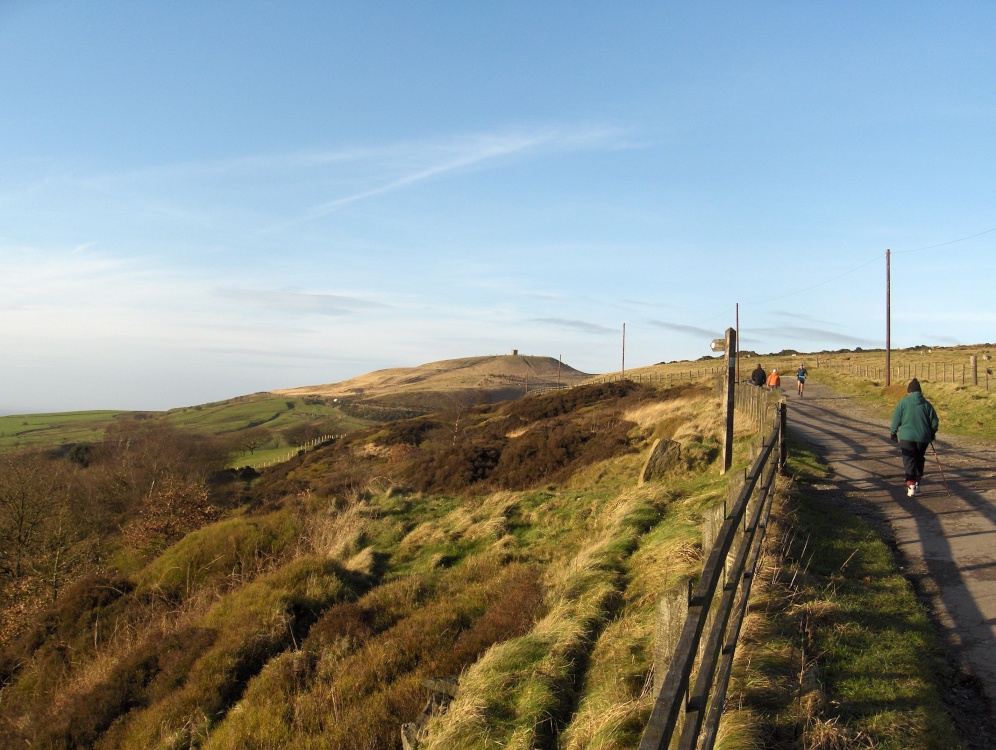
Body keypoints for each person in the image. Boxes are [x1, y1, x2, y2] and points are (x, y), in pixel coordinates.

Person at [890, 378, 939, 497]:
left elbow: (896, 418)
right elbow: (934, 422)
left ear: (909, 391)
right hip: (923, 437)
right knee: (919, 458)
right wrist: (931, 433)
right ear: (920, 391)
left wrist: (893, 432)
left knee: (909, 459)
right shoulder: (927, 404)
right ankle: (917, 483)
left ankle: (911, 485)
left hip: (906, 437)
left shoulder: (903, 402)